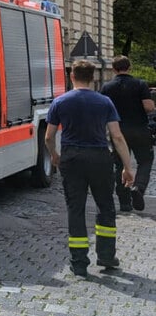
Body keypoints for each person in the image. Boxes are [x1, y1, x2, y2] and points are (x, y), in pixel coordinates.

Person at [45, 60, 134, 277]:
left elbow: (49, 136)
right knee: (105, 206)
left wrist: (55, 156)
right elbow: (117, 136)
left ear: (71, 76)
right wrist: (127, 166)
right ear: (93, 78)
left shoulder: (60, 102)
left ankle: (79, 263)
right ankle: (106, 256)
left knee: (76, 209)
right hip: (100, 158)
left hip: (72, 158)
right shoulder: (104, 102)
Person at [101, 55, 155, 211]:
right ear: (129, 67)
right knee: (145, 161)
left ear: (113, 69)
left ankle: (124, 203)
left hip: (117, 130)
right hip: (139, 129)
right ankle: (138, 187)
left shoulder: (107, 87)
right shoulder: (140, 84)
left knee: (120, 165)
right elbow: (148, 107)